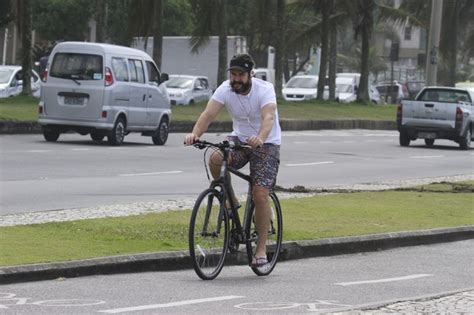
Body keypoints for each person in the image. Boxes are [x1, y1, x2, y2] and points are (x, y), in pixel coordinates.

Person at [184, 53, 281, 267]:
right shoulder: (225, 89)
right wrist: (195, 134)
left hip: (266, 142)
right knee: (215, 158)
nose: (236, 79)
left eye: (241, 75)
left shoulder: (264, 90)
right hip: (239, 138)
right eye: (233, 75)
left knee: (260, 194)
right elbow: (208, 114)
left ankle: (261, 249)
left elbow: (269, 118)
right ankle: (230, 200)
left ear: (250, 74)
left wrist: (260, 138)